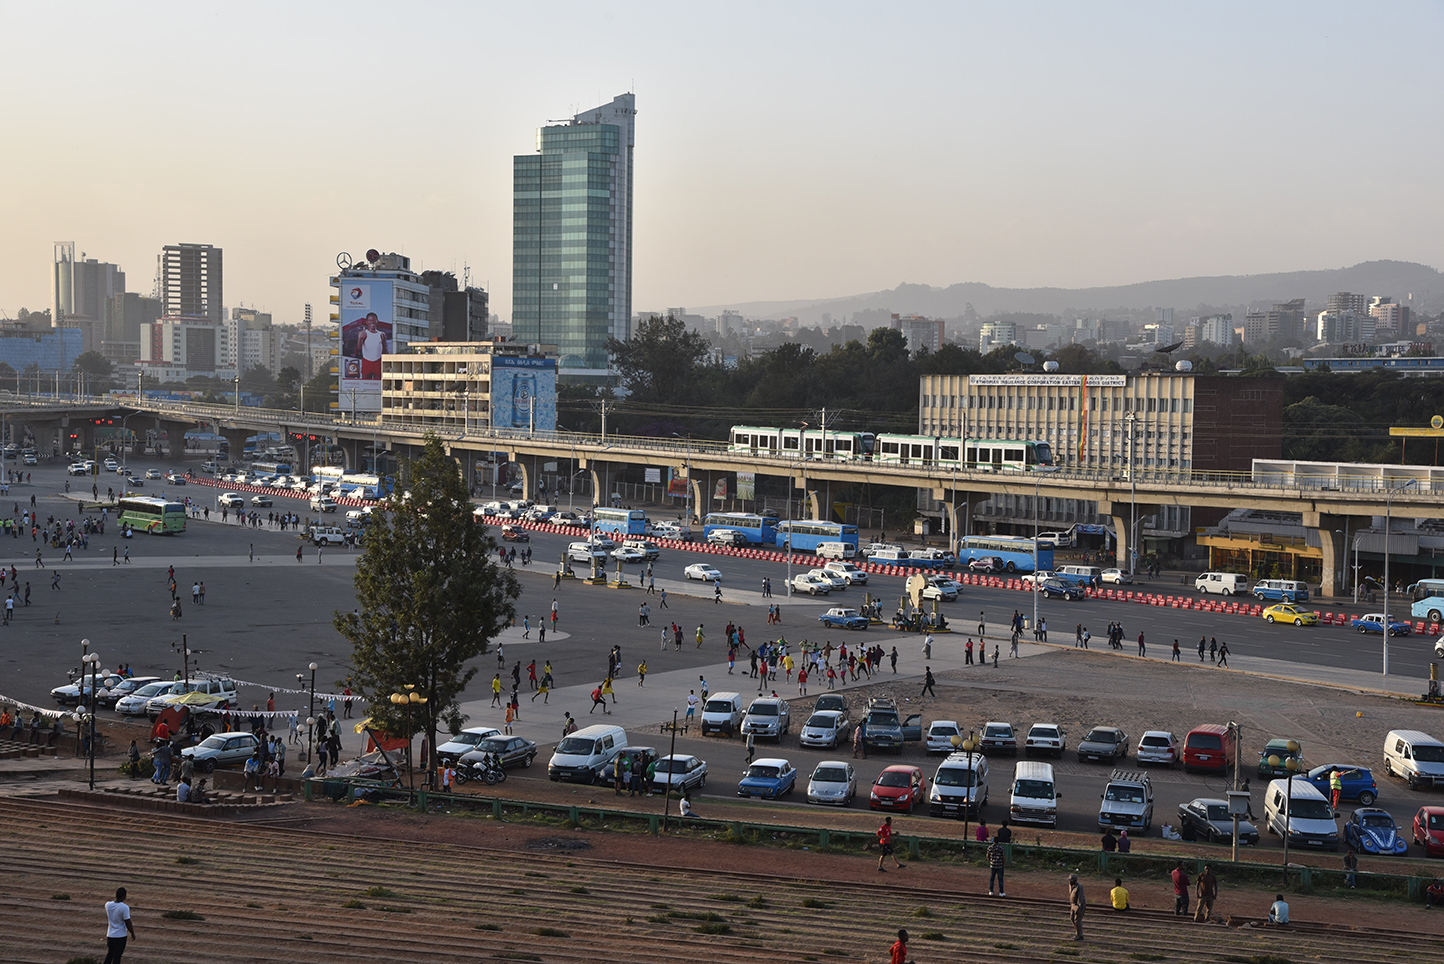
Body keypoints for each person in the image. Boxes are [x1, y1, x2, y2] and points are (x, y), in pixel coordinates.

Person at [104, 886, 137, 964]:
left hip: (110, 935)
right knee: (117, 957)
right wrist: (132, 933)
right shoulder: (124, 907)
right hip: (120, 936)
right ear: (124, 896)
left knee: (110, 954)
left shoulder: (108, 905)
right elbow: (127, 921)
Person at [1068, 873, 1086, 941]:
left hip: (1078, 905)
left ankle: (1080, 935)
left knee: (1077, 920)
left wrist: (1079, 907)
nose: (1070, 881)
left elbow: (1080, 898)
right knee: (1072, 918)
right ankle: (1077, 933)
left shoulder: (1079, 887)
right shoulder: (1070, 885)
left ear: (1075, 881)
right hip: (1073, 904)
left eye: (1071, 880)